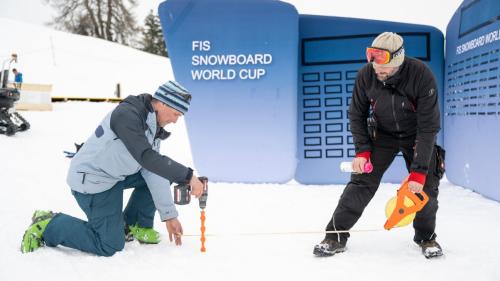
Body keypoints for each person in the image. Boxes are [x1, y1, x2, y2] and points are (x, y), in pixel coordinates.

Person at [21, 80, 205, 256]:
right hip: (93, 180)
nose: (175, 121)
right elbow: (146, 158)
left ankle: (135, 225)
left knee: (163, 171)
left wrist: (169, 215)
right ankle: (48, 224)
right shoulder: (128, 115)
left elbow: (152, 169)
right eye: (176, 114)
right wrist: (189, 176)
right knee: (109, 244)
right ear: (163, 104)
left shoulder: (153, 125)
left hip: (114, 175)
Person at [313, 32, 444, 258]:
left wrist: (419, 171)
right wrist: (362, 151)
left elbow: (428, 127)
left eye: (383, 67)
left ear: (398, 62)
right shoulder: (366, 75)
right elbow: (356, 114)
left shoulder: (421, 76)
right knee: (361, 183)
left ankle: (426, 237)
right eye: (373, 65)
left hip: (417, 136)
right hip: (382, 134)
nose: (377, 70)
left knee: (425, 188)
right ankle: (335, 235)